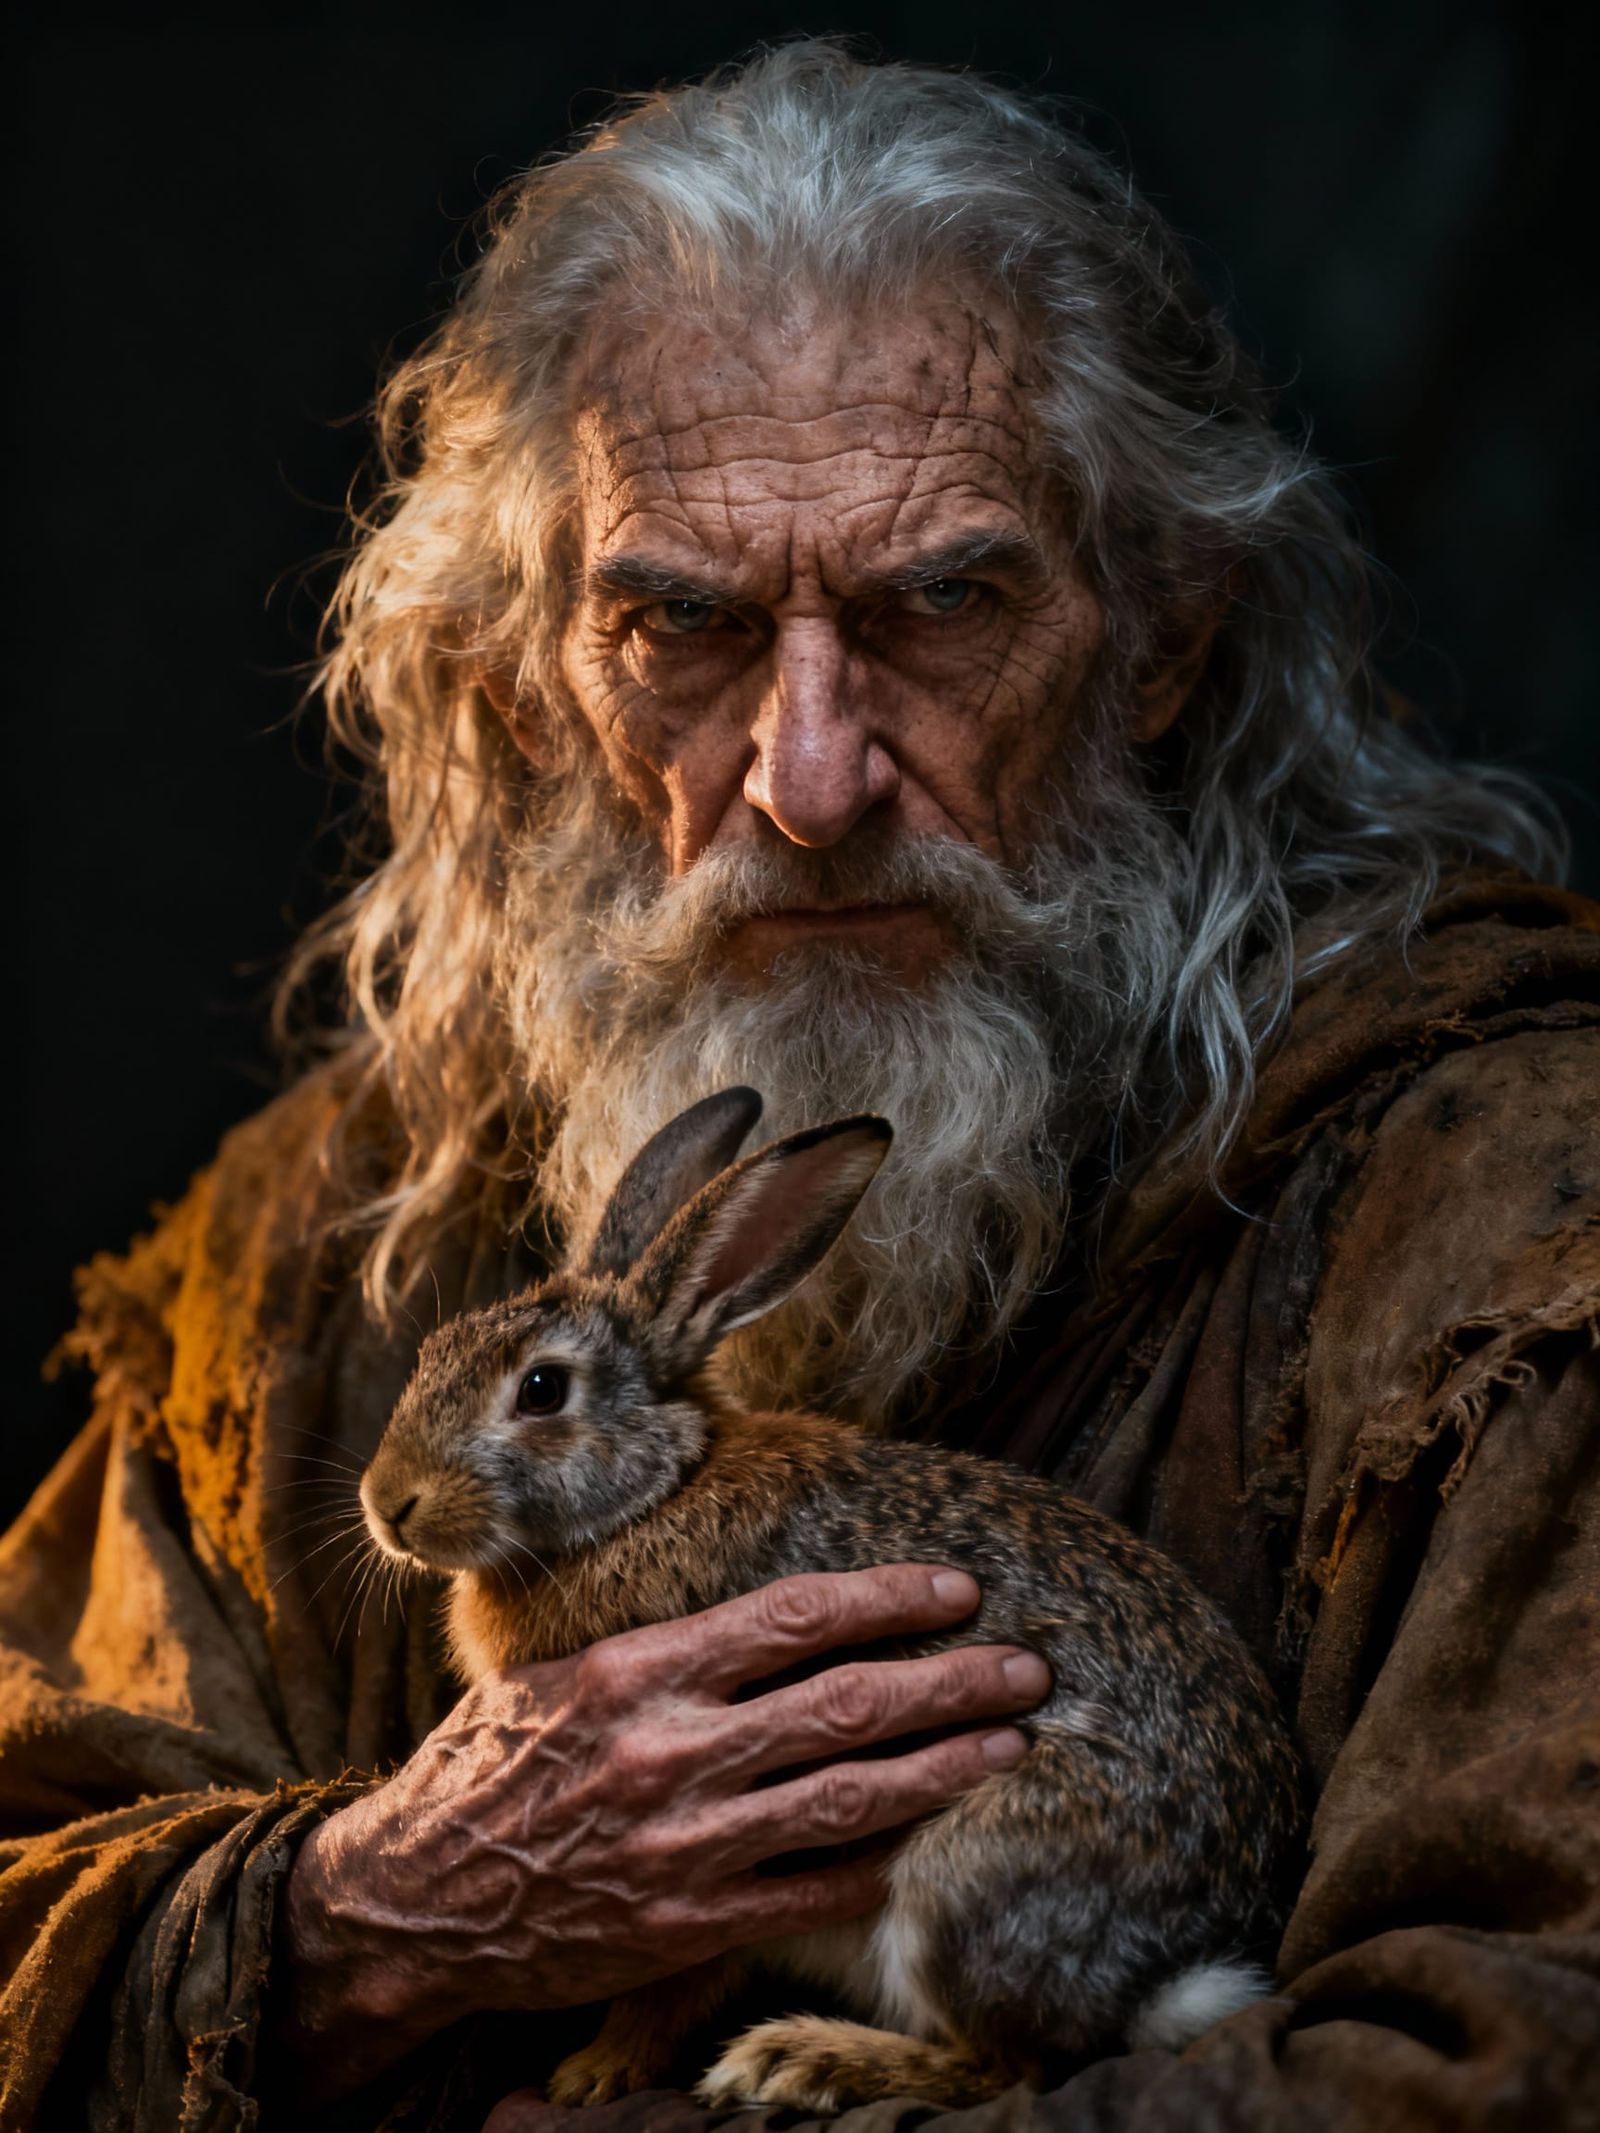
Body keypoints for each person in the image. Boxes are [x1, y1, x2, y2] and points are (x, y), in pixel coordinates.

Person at [2, 40, 1596, 2133]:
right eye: (679, 626)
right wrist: (373, 1911)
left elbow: (1508, 2059)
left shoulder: (1502, 1216)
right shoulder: (319, 1255)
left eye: (943, 604)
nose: (811, 778)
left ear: (1159, 642)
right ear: (518, 689)